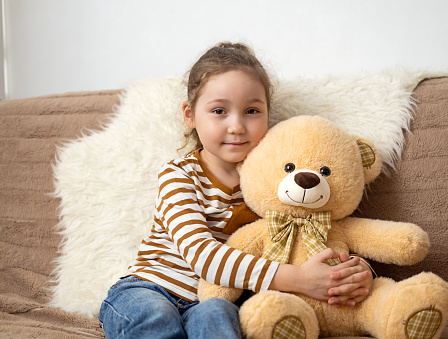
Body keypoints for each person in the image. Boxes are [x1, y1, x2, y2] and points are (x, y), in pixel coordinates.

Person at [99, 42, 374, 339]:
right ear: (190, 115)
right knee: (157, 320)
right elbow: (202, 256)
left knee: (218, 317)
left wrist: (350, 273)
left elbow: (311, 235)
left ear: (268, 115)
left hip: (207, 301)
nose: (237, 126)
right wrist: (299, 279)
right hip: (148, 289)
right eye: (219, 110)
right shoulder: (179, 176)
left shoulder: (270, 187)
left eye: (251, 111)